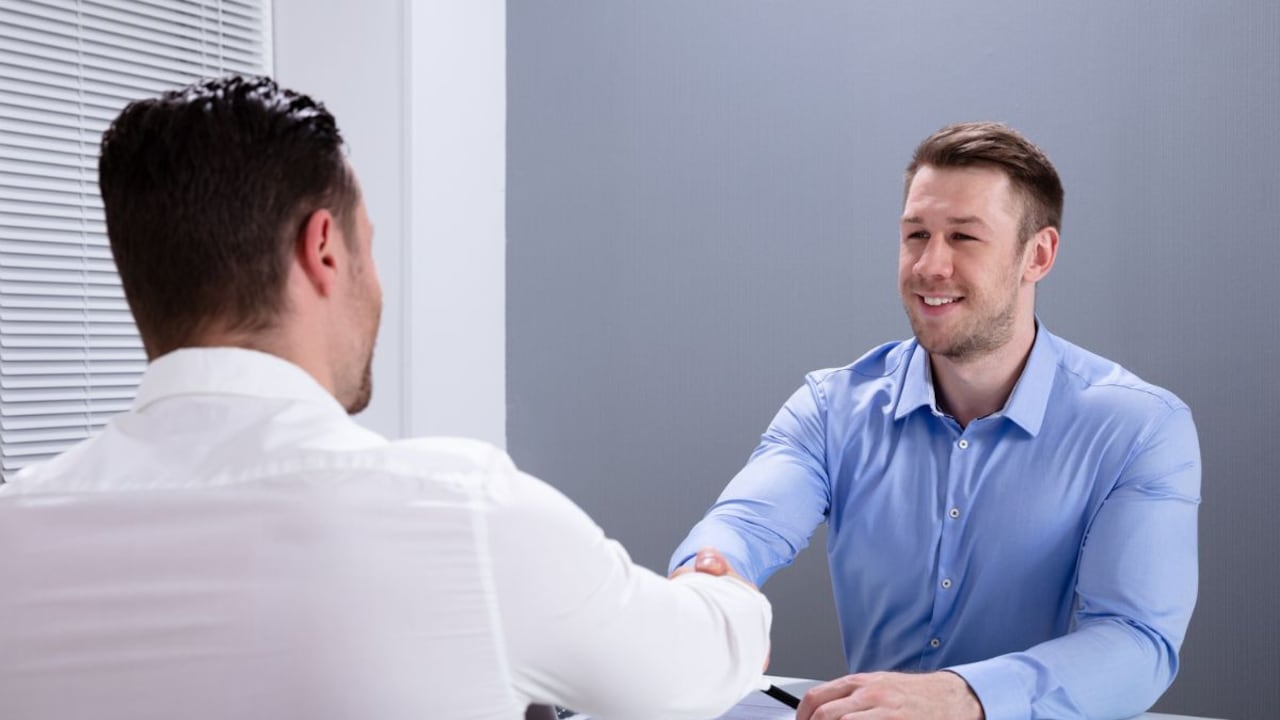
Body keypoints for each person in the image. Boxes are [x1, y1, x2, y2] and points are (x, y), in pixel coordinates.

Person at [0, 75, 770, 719]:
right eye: (371, 245)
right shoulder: (463, 513)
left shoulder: (16, 531)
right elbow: (698, 669)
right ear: (325, 247)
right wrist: (725, 589)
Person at [671, 121, 1200, 720]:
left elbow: (1137, 642)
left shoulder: (1138, 427)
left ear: (1039, 255)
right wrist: (712, 585)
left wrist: (964, 696)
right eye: (916, 234)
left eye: (964, 237)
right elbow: (744, 525)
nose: (930, 265)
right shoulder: (830, 406)